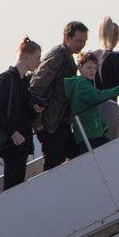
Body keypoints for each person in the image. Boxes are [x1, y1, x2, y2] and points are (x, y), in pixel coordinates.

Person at [0, 40, 41, 191]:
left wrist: (34, 108)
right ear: (26, 57)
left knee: (17, 183)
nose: (39, 62)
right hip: (11, 143)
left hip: (21, 142)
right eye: (37, 57)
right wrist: (12, 132)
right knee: (12, 185)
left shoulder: (23, 81)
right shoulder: (7, 78)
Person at [30, 22, 89, 173]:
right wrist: (40, 119)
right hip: (50, 123)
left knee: (74, 155)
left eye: (84, 41)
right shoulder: (57, 56)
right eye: (78, 41)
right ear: (67, 38)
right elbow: (37, 86)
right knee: (54, 161)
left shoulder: (66, 57)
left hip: (58, 122)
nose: (81, 45)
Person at [63, 53, 119, 153]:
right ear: (80, 67)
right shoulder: (82, 84)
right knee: (112, 152)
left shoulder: (83, 83)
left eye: (95, 68)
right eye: (89, 67)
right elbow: (98, 96)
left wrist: (102, 126)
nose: (92, 71)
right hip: (90, 135)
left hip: (90, 134)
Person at [89, 19, 119, 142]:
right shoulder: (115, 57)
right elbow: (118, 86)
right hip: (110, 106)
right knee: (112, 144)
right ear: (116, 37)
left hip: (94, 109)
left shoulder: (93, 56)